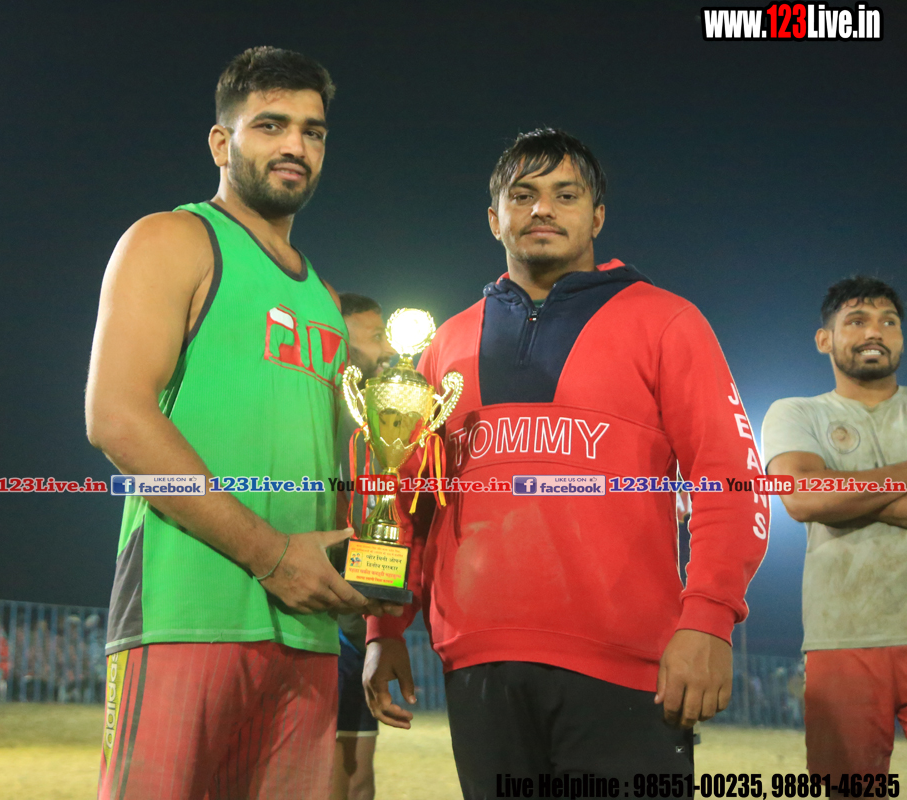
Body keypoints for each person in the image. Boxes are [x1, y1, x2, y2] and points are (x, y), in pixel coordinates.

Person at [363, 128, 769, 792]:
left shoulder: (667, 321)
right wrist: (382, 624)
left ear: (597, 216)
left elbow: (732, 481)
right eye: (522, 195)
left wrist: (710, 617)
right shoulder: (444, 346)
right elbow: (405, 497)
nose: (542, 210)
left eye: (565, 195)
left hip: (628, 669)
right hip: (478, 665)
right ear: (493, 218)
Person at [85, 46, 397, 800]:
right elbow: (116, 418)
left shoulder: (325, 299)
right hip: (186, 612)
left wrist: (380, 603)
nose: (296, 145)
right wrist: (271, 556)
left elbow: (348, 473)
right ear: (222, 143)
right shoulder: (172, 238)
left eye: (313, 131)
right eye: (271, 125)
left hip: (308, 629)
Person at [761, 276, 907, 775]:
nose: (875, 332)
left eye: (889, 321)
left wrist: (840, 492)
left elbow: (819, 493)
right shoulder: (796, 412)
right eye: (857, 321)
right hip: (842, 636)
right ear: (824, 339)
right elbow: (802, 497)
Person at [332, 292, 396, 800]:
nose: (388, 350)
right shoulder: (307, 415)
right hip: (309, 618)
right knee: (320, 777)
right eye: (375, 337)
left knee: (358, 780)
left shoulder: (382, 427)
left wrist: (379, 624)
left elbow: (382, 517)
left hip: (356, 625)